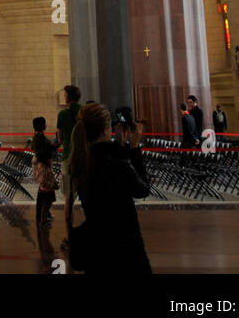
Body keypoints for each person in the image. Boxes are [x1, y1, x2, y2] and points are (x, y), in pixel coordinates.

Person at [68, 102, 151, 275]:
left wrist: (121, 146)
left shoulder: (80, 162)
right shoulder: (116, 165)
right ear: (106, 130)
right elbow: (142, 189)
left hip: (96, 246)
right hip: (125, 246)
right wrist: (134, 148)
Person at [54, 85, 81, 228]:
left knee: (68, 196)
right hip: (82, 155)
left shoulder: (62, 114)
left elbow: (59, 137)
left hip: (67, 156)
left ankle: (69, 228)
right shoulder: (83, 111)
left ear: (68, 96)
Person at [32, 132, 57, 231]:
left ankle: (43, 219)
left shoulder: (40, 166)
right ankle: (43, 221)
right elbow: (50, 180)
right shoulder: (46, 169)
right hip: (47, 189)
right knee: (46, 205)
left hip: (43, 188)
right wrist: (55, 185)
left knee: (45, 205)